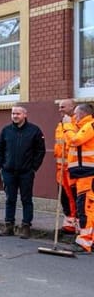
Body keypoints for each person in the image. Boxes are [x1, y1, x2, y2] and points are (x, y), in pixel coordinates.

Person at [0, 104, 46, 239]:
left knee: (26, 199)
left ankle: (26, 226)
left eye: (18, 114)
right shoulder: (6, 131)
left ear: (25, 115)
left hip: (26, 172)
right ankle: (8, 226)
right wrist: (1, 165)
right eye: (13, 114)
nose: (15, 116)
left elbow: (40, 151)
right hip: (9, 171)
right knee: (10, 199)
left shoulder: (34, 131)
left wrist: (33, 167)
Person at [63, 103, 94, 252]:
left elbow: (76, 140)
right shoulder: (82, 126)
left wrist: (67, 127)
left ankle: (85, 242)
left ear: (82, 114)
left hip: (88, 175)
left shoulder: (90, 126)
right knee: (86, 207)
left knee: (86, 209)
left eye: (76, 114)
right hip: (82, 174)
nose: (74, 117)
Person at [55, 99, 78, 233]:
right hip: (61, 168)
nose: (60, 109)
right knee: (64, 196)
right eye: (59, 107)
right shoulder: (61, 123)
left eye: (63, 107)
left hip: (73, 168)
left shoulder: (77, 123)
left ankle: (80, 227)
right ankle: (69, 224)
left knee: (75, 197)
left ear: (72, 107)